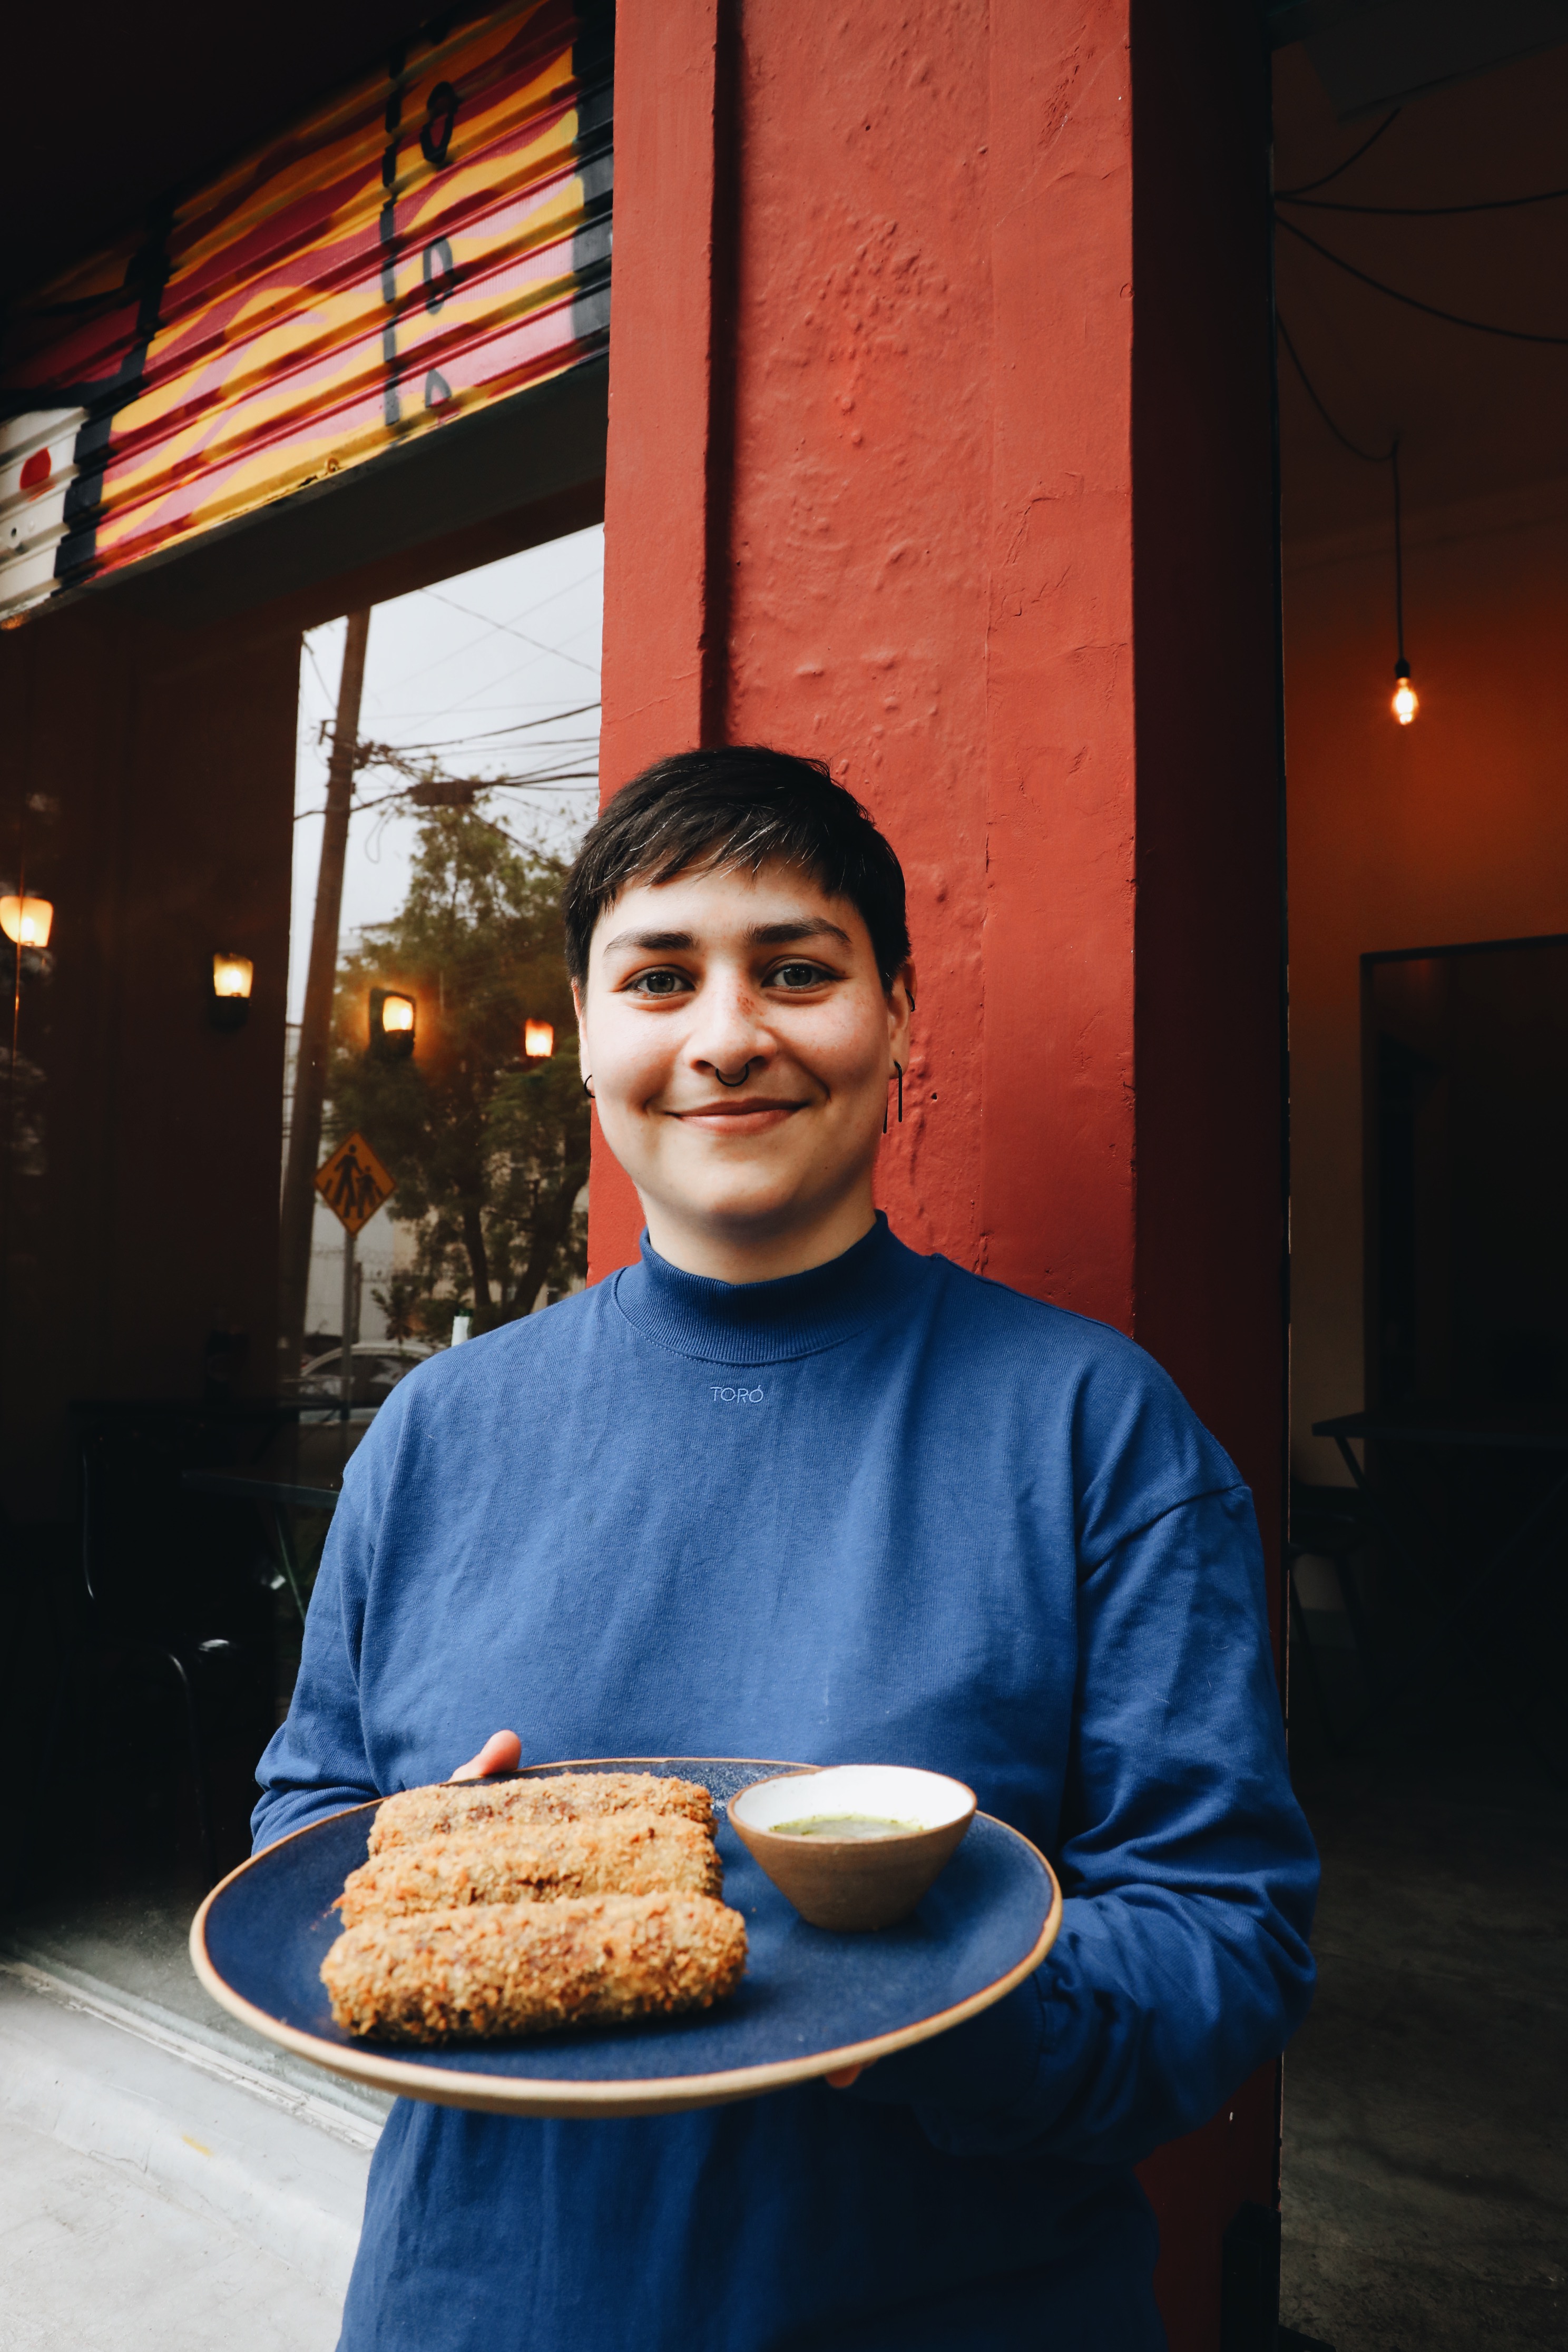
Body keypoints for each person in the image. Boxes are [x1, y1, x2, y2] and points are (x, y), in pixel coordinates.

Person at [254, 745, 1317, 2350]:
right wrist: (416, 1882)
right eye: (659, 979)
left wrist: (923, 1995)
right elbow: (308, 1816)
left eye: (798, 971)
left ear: (898, 1016)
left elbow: (1221, 1936)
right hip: (483, 2302)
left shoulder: (1097, 1429)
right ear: (589, 1034)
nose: (728, 1035)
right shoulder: (438, 1431)